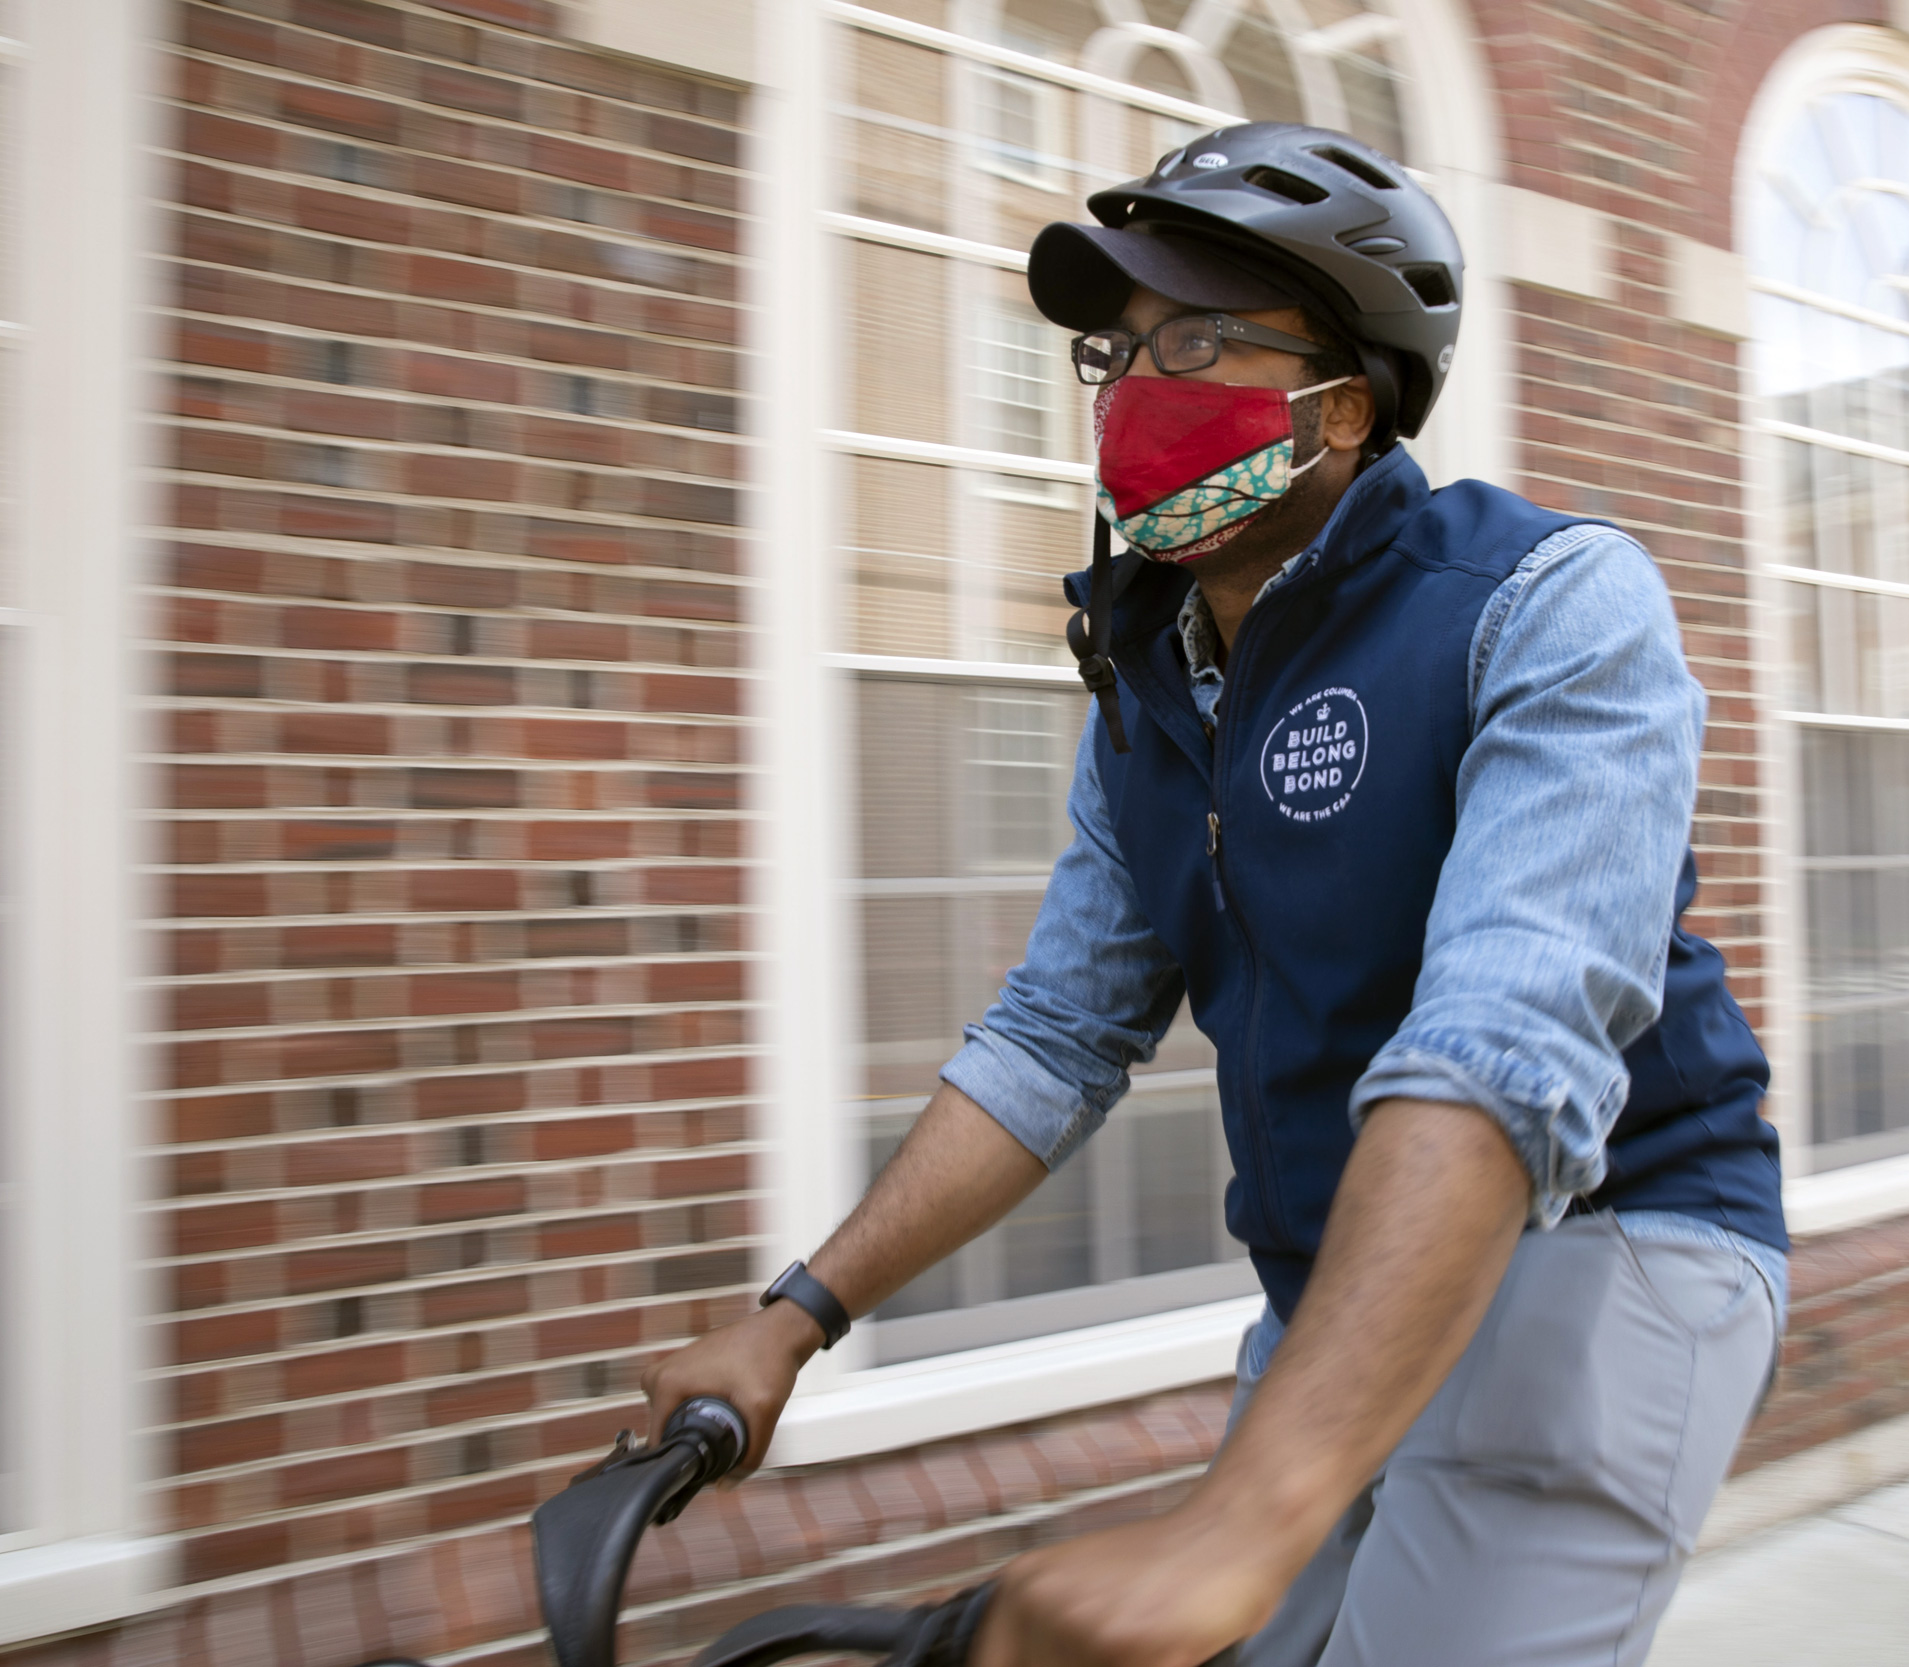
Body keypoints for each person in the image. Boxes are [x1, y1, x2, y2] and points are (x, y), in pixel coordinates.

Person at [644, 122, 1788, 1667]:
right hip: (1339, 1278)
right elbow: (1055, 1038)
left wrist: (1246, 1522)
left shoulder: (1545, 602)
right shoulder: (1153, 690)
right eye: (1112, 353)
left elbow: (1508, 1045)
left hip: (1614, 1235)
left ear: (1346, 394)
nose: (1131, 387)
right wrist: (797, 1314)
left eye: (1193, 339)